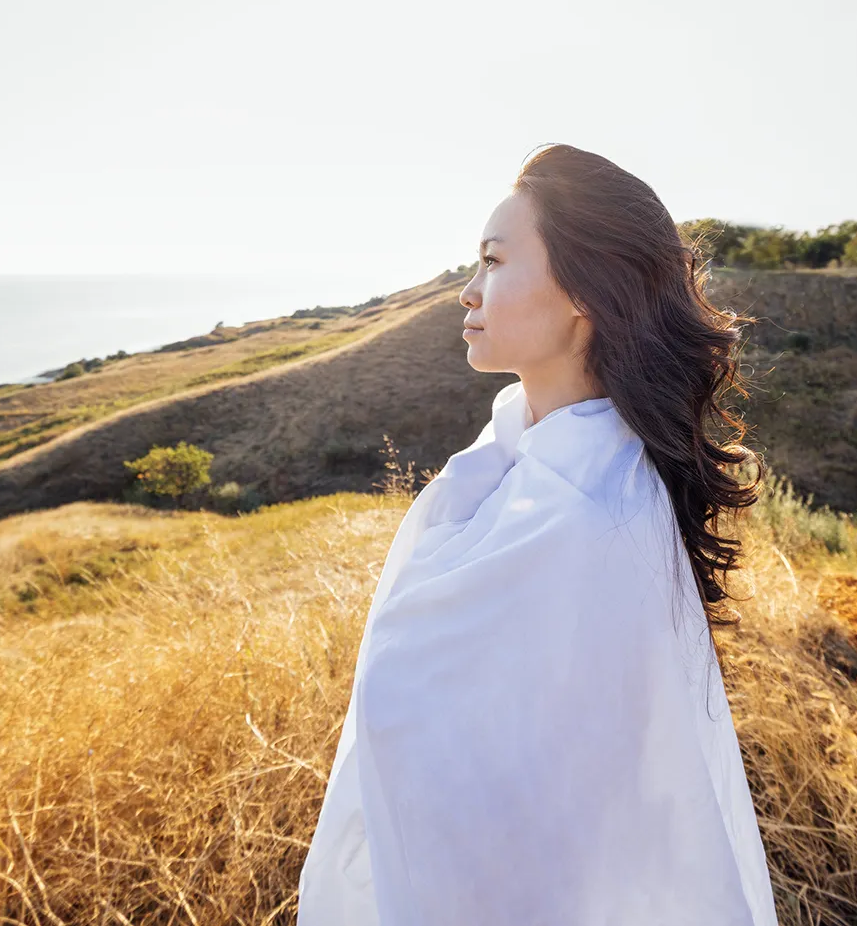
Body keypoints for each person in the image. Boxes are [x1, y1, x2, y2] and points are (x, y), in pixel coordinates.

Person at [297, 143, 777, 926]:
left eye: (493, 260)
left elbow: (585, 834)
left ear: (586, 290)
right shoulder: (498, 470)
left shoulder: (595, 517)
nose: (466, 290)